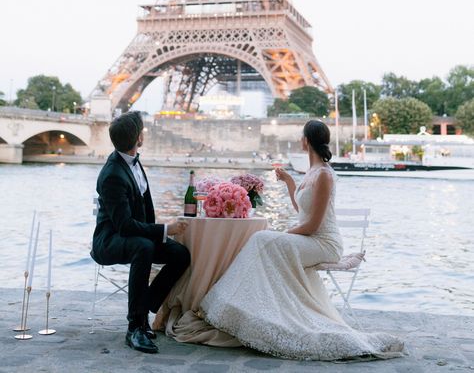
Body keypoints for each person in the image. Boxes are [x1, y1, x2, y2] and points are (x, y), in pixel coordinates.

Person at [200, 119, 404, 361]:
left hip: (324, 243)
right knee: (263, 241)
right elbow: (302, 211)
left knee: (263, 240)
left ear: (306, 141)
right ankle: (259, 310)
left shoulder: (325, 175)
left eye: (301, 136)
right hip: (310, 238)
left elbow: (313, 225)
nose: (300, 140)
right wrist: (288, 182)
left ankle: (248, 308)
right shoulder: (312, 172)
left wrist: (283, 235)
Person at [92, 111, 190, 354]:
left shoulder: (132, 160)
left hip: (135, 235)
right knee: (143, 247)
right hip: (110, 240)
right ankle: (135, 327)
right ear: (137, 138)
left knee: (180, 254)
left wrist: (161, 232)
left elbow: (141, 213)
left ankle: (145, 305)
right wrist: (165, 229)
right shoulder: (113, 174)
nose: (143, 134)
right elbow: (124, 225)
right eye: (142, 131)